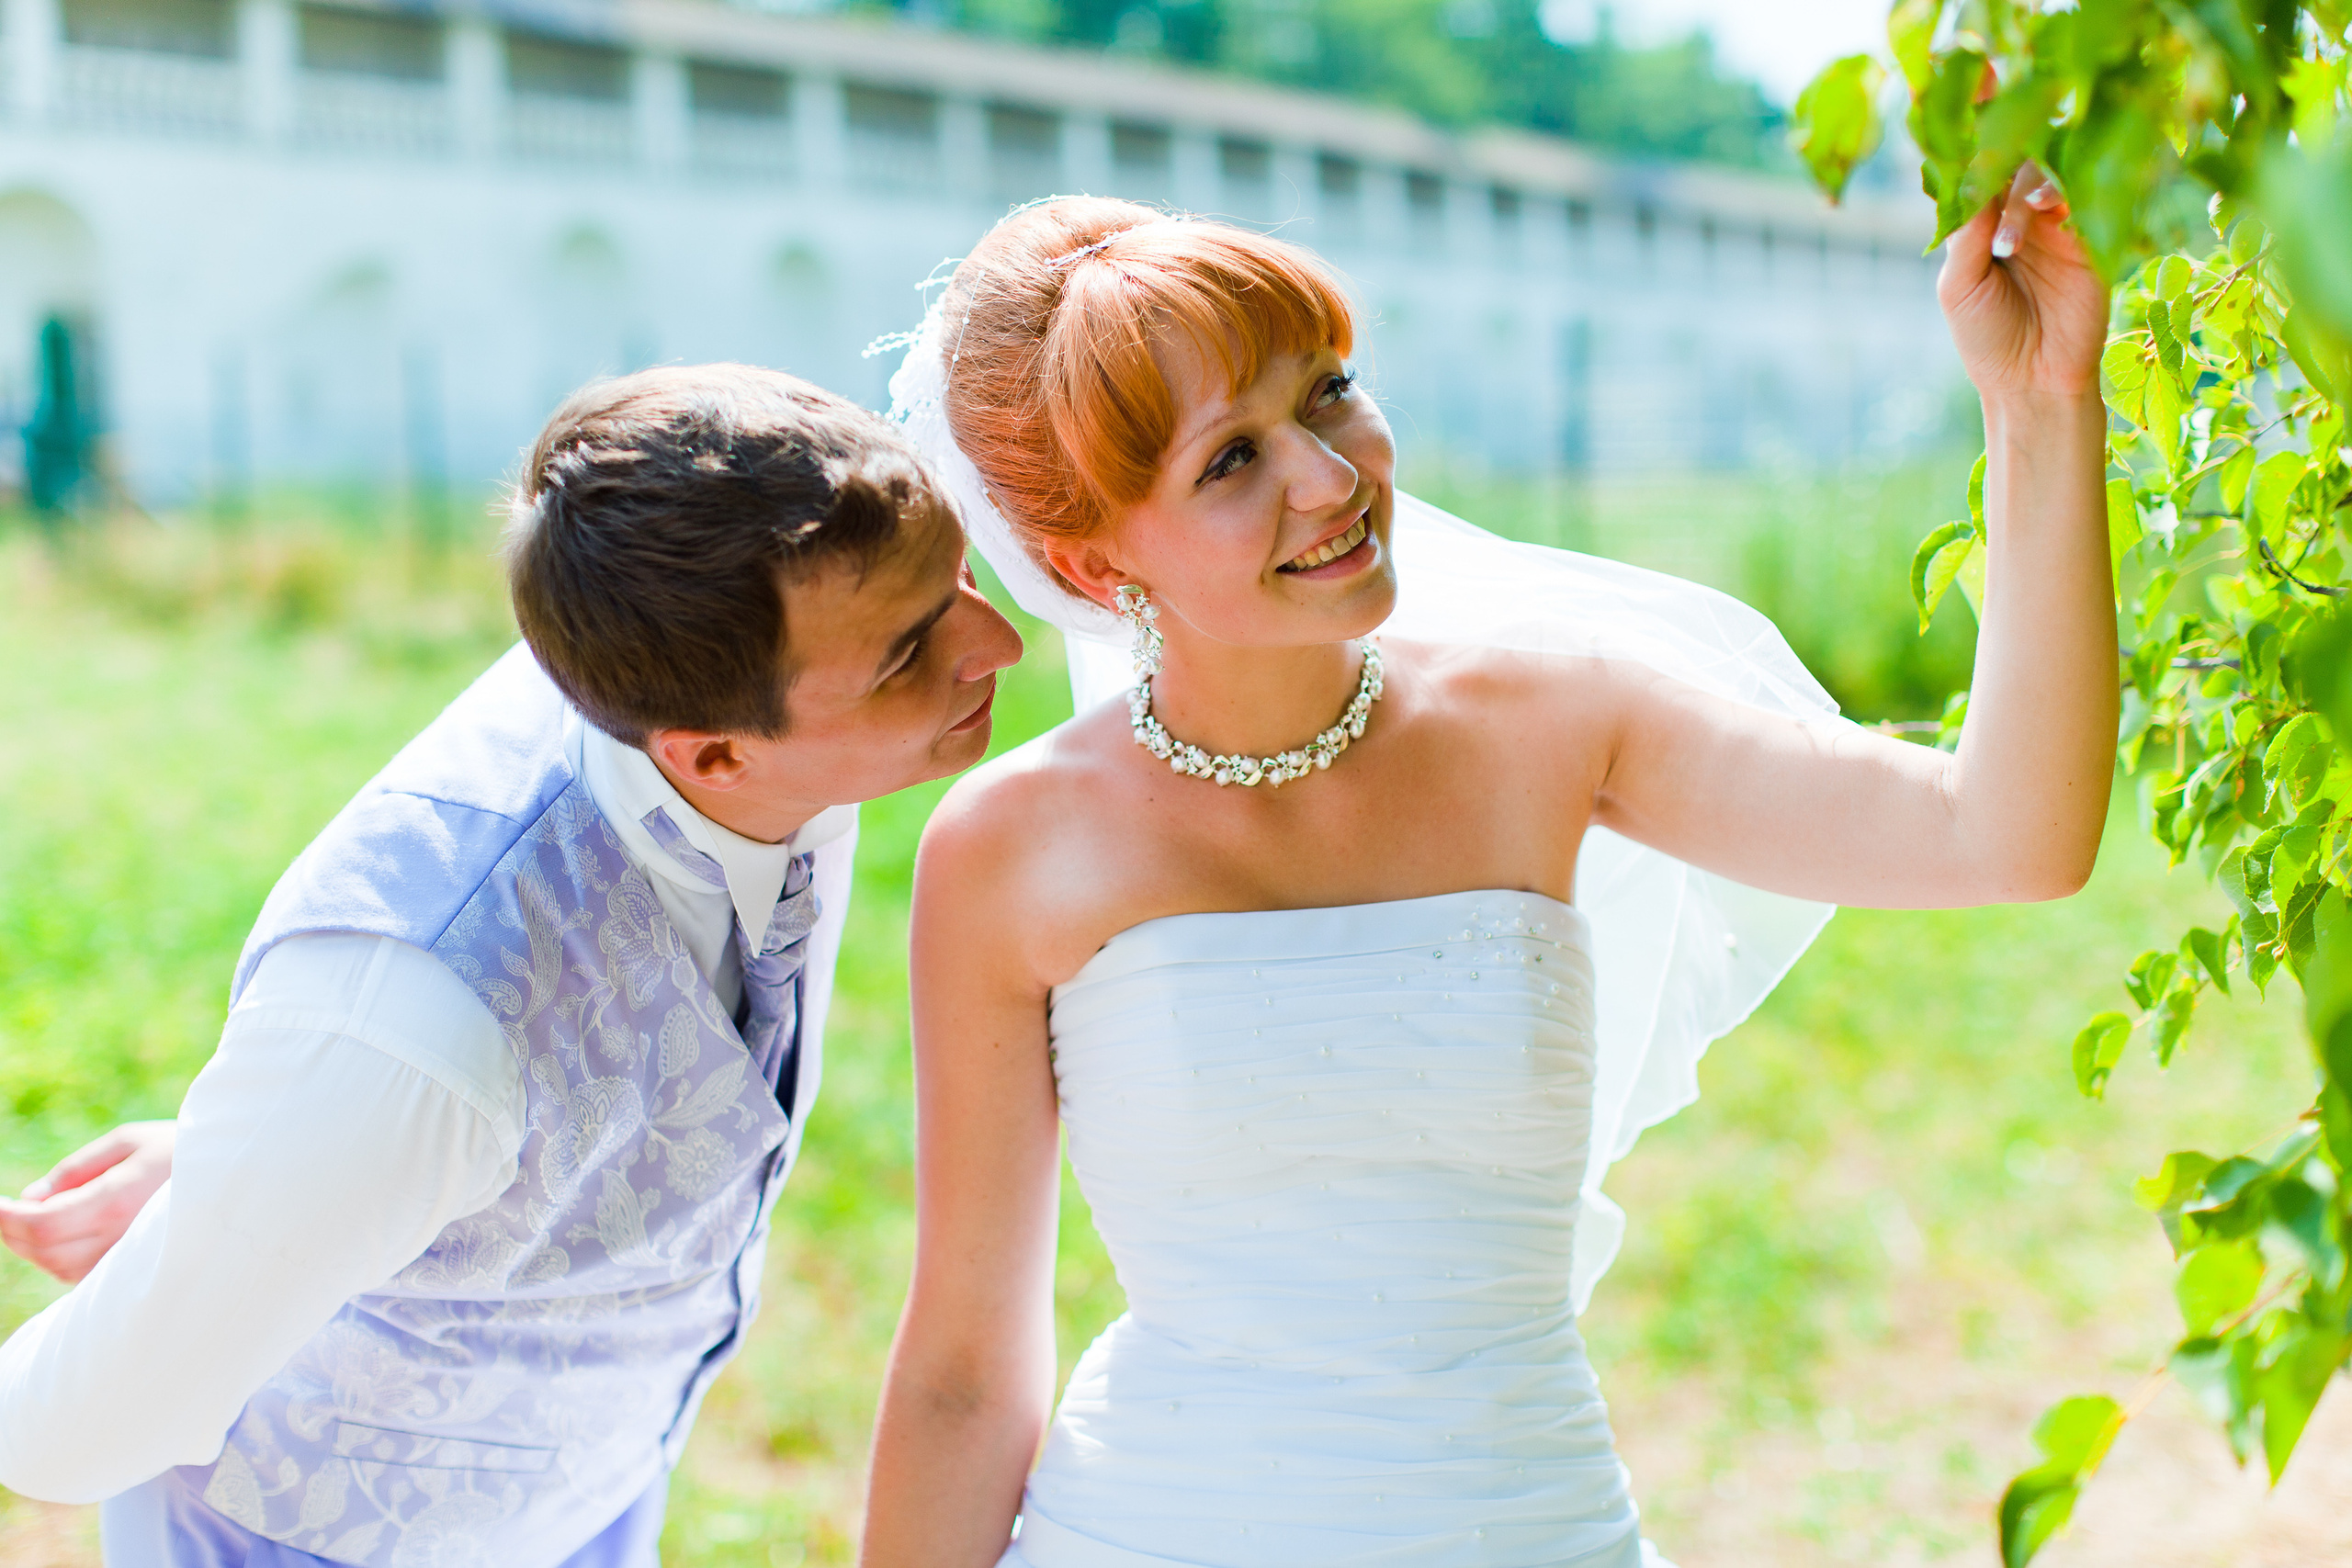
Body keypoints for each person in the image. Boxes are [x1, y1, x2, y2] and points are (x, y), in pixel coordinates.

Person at [860, 181, 2112, 1567]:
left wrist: (2041, 397)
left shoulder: (1559, 729)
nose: (1332, 478)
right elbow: (965, 1374)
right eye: (1232, 462)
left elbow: (2009, 837)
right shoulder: (1010, 848)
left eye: (1328, 392)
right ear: (1093, 560)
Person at [0, 365, 1022, 1567]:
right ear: (714, 758)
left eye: (955, 575)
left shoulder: (708, 631)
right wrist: (288, 1165)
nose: (996, 639)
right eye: (910, 653)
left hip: (591, 1491)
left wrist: (311, 1178)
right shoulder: (410, 1025)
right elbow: (67, 1429)